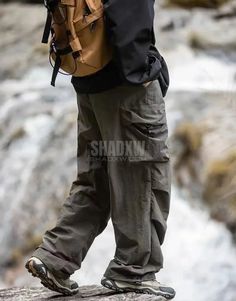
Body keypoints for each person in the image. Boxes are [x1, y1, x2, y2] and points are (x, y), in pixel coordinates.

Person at [25, 0, 176, 299]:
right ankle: (134, 271)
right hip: (125, 85)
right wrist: (141, 71)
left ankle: (55, 258)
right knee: (143, 177)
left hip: (87, 73)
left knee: (98, 178)